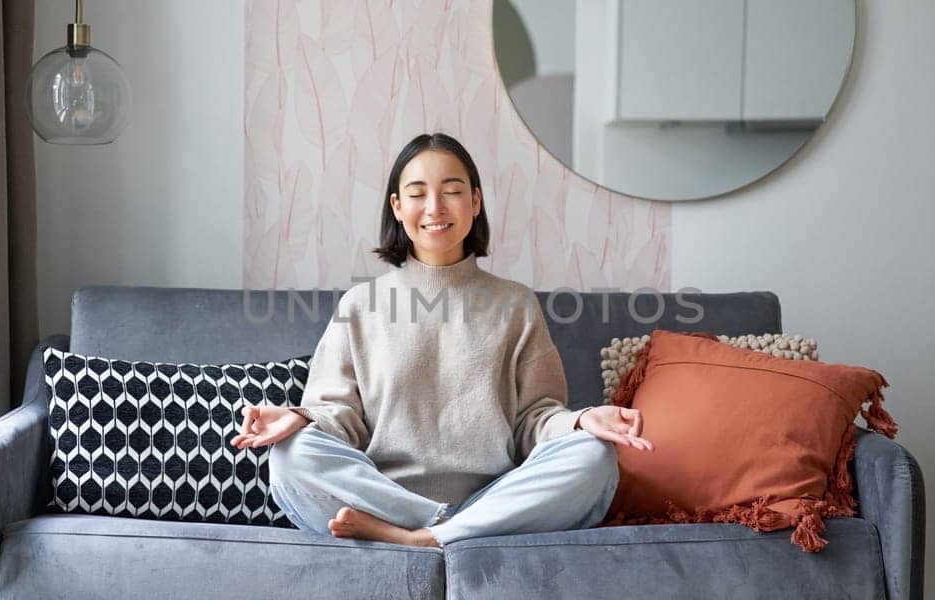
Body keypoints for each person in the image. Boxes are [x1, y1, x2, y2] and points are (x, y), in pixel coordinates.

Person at [229, 133, 653, 548]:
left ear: (475, 202)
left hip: (496, 494)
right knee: (291, 456)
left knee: (594, 457)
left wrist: (581, 422)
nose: (434, 208)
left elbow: (535, 421)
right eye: (417, 194)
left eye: (451, 191)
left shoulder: (515, 303)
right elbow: (341, 417)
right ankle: (449, 529)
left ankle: (423, 537)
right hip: (387, 496)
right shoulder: (361, 304)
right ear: (397, 206)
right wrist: (300, 419)